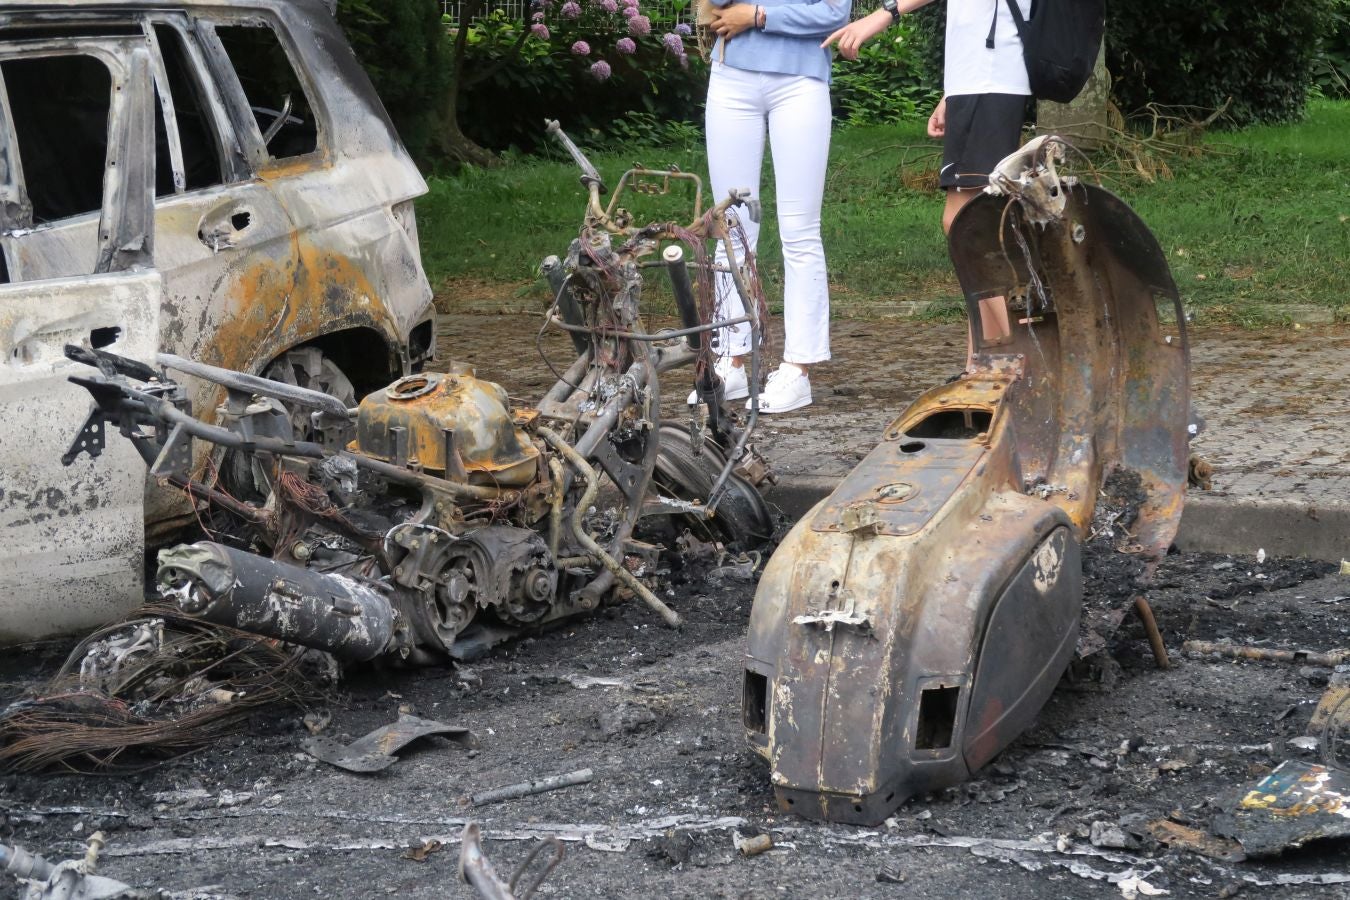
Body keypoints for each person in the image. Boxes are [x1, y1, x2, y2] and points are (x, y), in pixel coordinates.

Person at [824, 0, 1030, 365]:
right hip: (978, 78)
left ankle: (1018, 353)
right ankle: (982, 362)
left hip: (992, 76)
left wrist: (886, 13)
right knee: (976, 223)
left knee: (966, 225)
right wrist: (953, 91)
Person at [689, 0, 851, 414]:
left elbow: (834, 13)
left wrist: (760, 16)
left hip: (800, 79)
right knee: (731, 226)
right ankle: (731, 360)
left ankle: (798, 368)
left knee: (799, 229)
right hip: (731, 76)